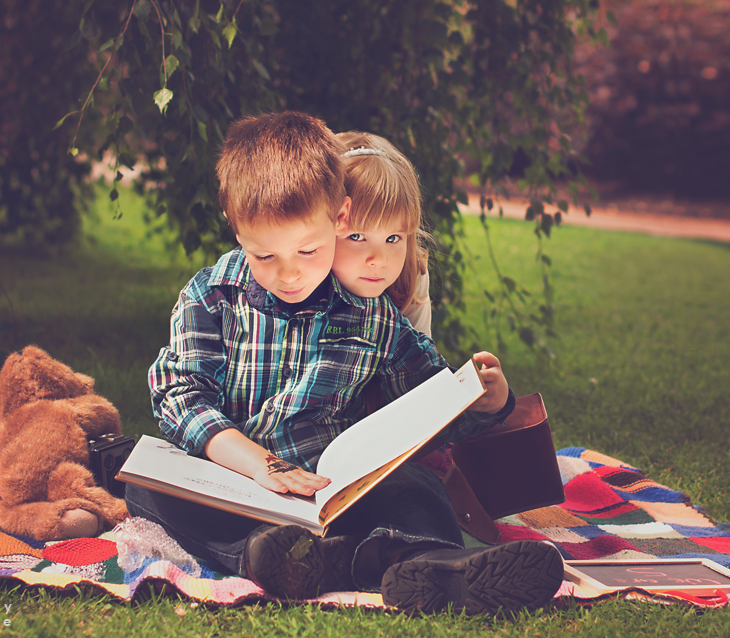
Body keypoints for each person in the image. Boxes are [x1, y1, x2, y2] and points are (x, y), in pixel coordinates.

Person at [125, 111, 563, 614]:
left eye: (308, 251)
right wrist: (259, 465)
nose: (289, 274)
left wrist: (487, 401)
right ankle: (279, 559)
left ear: (339, 219)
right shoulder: (213, 295)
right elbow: (179, 395)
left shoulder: (370, 317)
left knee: (416, 485)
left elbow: (430, 406)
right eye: (264, 257)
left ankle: (434, 564)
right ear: (236, 229)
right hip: (236, 482)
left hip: (332, 494)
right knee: (150, 489)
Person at [332, 131, 433, 337]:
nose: (378, 261)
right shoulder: (296, 277)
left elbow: (426, 368)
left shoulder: (410, 273)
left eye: (393, 238)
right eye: (357, 236)